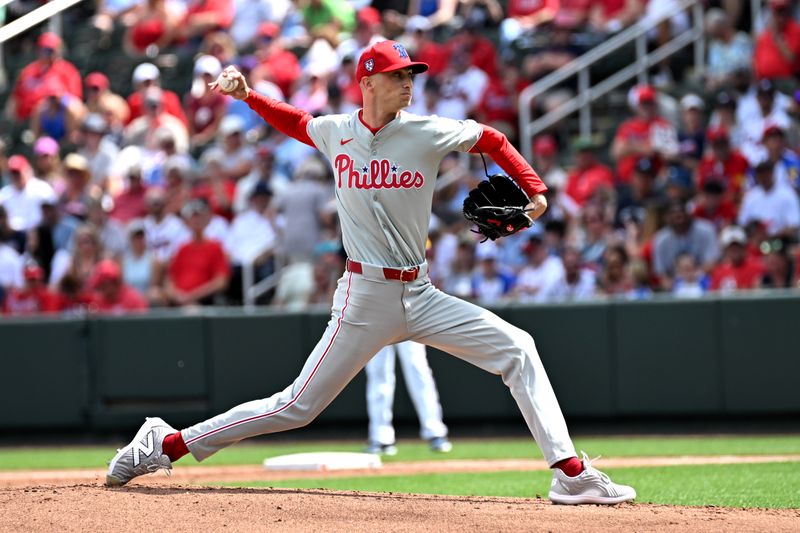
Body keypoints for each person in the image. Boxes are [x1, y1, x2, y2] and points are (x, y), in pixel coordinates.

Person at [106, 40, 636, 505]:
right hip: (364, 296)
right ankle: (165, 443)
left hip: (422, 293)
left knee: (518, 348)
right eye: (398, 75)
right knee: (296, 406)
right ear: (368, 82)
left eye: (411, 74)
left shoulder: (427, 132)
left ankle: (570, 475)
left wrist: (536, 192)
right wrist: (247, 96)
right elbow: (295, 122)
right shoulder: (338, 131)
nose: (409, 82)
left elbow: (493, 141)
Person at [364, 341, 452, 455]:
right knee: (378, 373)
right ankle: (381, 438)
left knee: (417, 367)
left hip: (407, 323)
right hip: (376, 324)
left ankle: (435, 433)